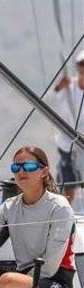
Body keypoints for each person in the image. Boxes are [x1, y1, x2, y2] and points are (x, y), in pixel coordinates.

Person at [0, 146, 76, 288]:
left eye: (29, 167)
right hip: (21, 280)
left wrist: (18, 281)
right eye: (16, 167)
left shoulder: (60, 207)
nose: (21, 171)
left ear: (44, 172)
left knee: (9, 281)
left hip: (55, 284)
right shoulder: (9, 207)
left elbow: (50, 267)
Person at [52, 49, 84, 205]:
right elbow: (47, 102)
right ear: (77, 67)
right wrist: (58, 87)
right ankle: (66, 214)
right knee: (67, 179)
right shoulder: (67, 86)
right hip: (67, 143)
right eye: (82, 64)